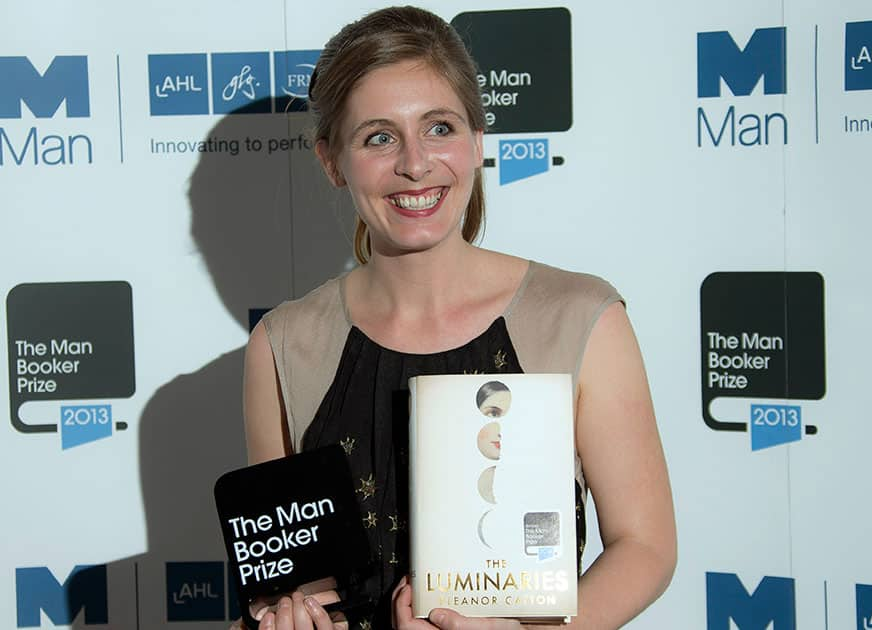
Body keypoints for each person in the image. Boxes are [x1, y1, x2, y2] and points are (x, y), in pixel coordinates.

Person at [242, 6, 676, 629]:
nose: (415, 164)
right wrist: (286, 617)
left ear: (477, 141)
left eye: (439, 127)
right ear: (332, 162)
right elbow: (292, 581)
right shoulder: (282, 345)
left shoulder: (581, 317)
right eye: (379, 137)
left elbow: (646, 546)